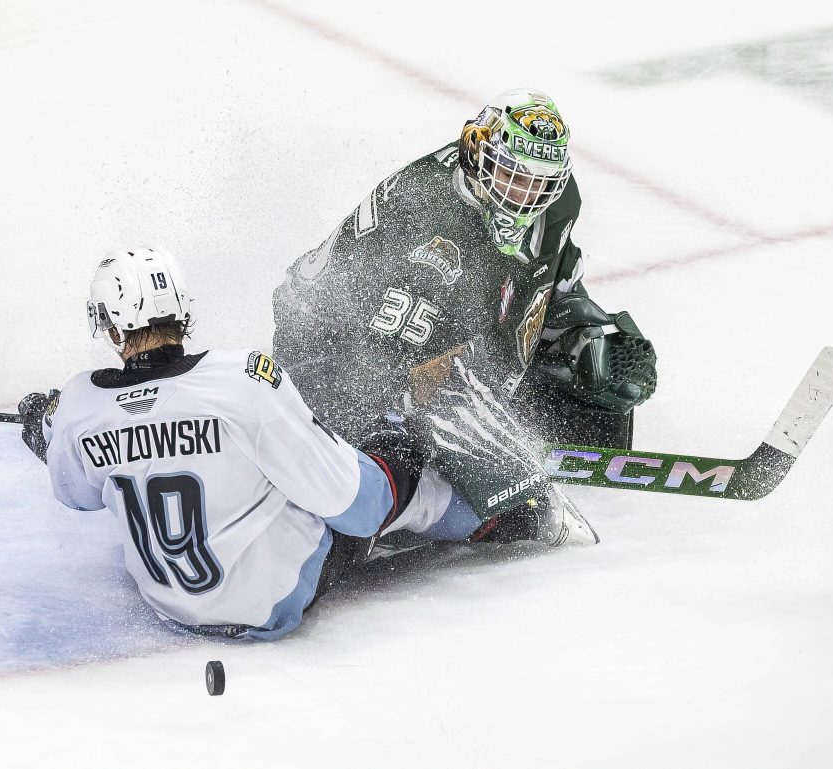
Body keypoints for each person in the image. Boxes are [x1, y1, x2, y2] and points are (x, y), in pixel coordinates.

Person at [18, 247, 486, 640]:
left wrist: (47, 426)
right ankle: (489, 523)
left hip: (169, 606)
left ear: (112, 327)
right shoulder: (243, 380)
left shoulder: (80, 406)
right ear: (183, 310)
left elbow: (76, 493)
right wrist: (397, 444)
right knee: (389, 473)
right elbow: (360, 507)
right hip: (272, 601)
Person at [272, 88, 656, 542]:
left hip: (426, 343)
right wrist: (474, 431)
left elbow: (549, 284)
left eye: (539, 182)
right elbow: (390, 368)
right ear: (477, 153)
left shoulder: (557, 202)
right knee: (462, 473)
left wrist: (581, 332)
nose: (525, 193)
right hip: (328, 352)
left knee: (602, 365)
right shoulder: (427, 214)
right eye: (513, 174)